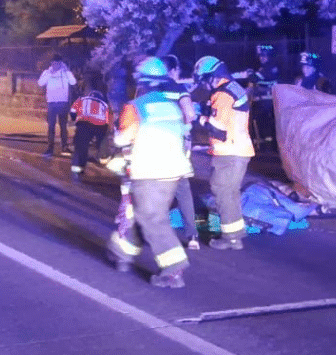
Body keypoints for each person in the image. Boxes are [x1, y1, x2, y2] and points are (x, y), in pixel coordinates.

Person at [106, 57, 193, 288]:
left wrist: (117, 140)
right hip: (173, 172)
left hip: (149, 171)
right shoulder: (172, 106)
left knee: (150, 218)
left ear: (140, 81)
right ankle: (121, 253)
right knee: (144, 213)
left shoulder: (136, 107)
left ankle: (174, 268)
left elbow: (122, 139)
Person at [194, 55, 255, 250]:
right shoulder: (234, 88)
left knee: (222, 192)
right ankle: (236, 233)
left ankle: (231, 239)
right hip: (239, 149)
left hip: (229, 151)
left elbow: (218, 129)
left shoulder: (223, 94)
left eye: (205, 80)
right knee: (230, 192)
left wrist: (200, 118)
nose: (205, 86)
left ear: (212, 76)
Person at [161, 55, 200, 250]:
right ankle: (192, 235)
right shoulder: (179, 89)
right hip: (175, 145)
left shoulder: (148, 90)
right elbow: (190, 114)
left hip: (153, 144)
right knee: (183, 189)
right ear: (174, 70)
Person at [233, 44, 280, 148]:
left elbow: (254, 78)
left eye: (265, 56)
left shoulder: (270, 68)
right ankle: (262, 144)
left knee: (267, 124)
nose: (262, 58)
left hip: (268, 103)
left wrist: (248, 74)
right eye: (261, 56)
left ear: (270, 56)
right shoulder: (264, 67)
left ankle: (268, 146)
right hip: (263, 103)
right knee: (261, 123)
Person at [68, 83, 111, 181]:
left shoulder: (82, 100)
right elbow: (107, 119)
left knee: (81, 147)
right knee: (102, 141)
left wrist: (75, 119)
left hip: (84, 123)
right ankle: (102, 156)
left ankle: (77, 170)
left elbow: (73, 111)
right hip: (100, 125)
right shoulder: (104, 104)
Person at [37, 54, 77, 155]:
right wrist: (49, 73)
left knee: (63, 126)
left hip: (63, 103)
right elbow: (40, 83)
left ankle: (64, 147)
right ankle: (50, 148)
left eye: (58, 63)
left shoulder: (65, 73)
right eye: (54, 63)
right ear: (52, 63)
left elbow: (73, 82)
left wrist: (67, 71)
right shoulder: (47, 72)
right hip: (51, 103)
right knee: (51, 127)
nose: (56, 65)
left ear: (61, 63)